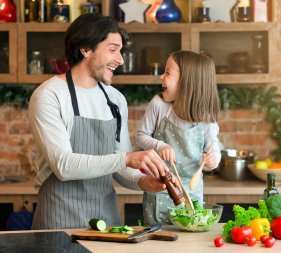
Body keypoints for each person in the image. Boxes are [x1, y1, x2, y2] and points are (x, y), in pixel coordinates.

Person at [28, 13, 176, 229]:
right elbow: (63, 165)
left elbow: (120, 168)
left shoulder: (115, 100)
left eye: (121, 51)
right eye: (113, 49)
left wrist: (144, 182)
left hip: (107, 223)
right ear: (86, 49)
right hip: (58, 222)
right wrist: (126, 158)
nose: (121, 60)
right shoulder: (49, 95)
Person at [136, 50, 221, 225]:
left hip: (191, 195)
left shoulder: (207, 121)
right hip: (159, 192)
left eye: (167, 73)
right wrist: (159, 145)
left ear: (187, 82)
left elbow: (214, 151)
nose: (161, 77)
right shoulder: (159, 105)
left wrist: (212, 160)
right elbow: (141, 137)